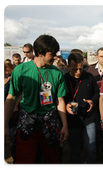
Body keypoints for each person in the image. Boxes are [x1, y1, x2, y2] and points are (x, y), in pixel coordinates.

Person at [2, 34, 69, 165]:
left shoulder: (57, 73)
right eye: (52, 54)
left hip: (50, 124)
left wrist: (65, 125)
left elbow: (60, 100)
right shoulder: (21, 70)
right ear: (40, 53)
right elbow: (11, 98)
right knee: (24, 163)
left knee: (53, 162)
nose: (55, 57)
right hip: (27, 125)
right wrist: (4, 127)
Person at [64, 52, 99, 164]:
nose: (79, 72)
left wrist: (93, 101)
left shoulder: (89, 77)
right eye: (75, 69)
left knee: (91, 149)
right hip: (72, 121)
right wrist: (65, 105)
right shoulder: (64, 79)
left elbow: (97, 93)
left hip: (89, 119)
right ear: (68, 67)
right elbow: (58, 98)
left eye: (81, 68)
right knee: (75, 151)